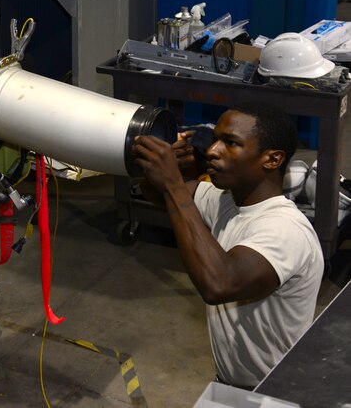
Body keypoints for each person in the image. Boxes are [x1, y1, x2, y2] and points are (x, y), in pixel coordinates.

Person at [132, 102, 323, 389]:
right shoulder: (227, 200)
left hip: (274, 393)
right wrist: (157, 171)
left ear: (272, 159)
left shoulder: (284, 230)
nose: (212, 151)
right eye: (215, 140)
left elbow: (219, 284)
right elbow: (162, 198)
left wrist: (172, 182)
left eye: (231, 143)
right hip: (232, 384)